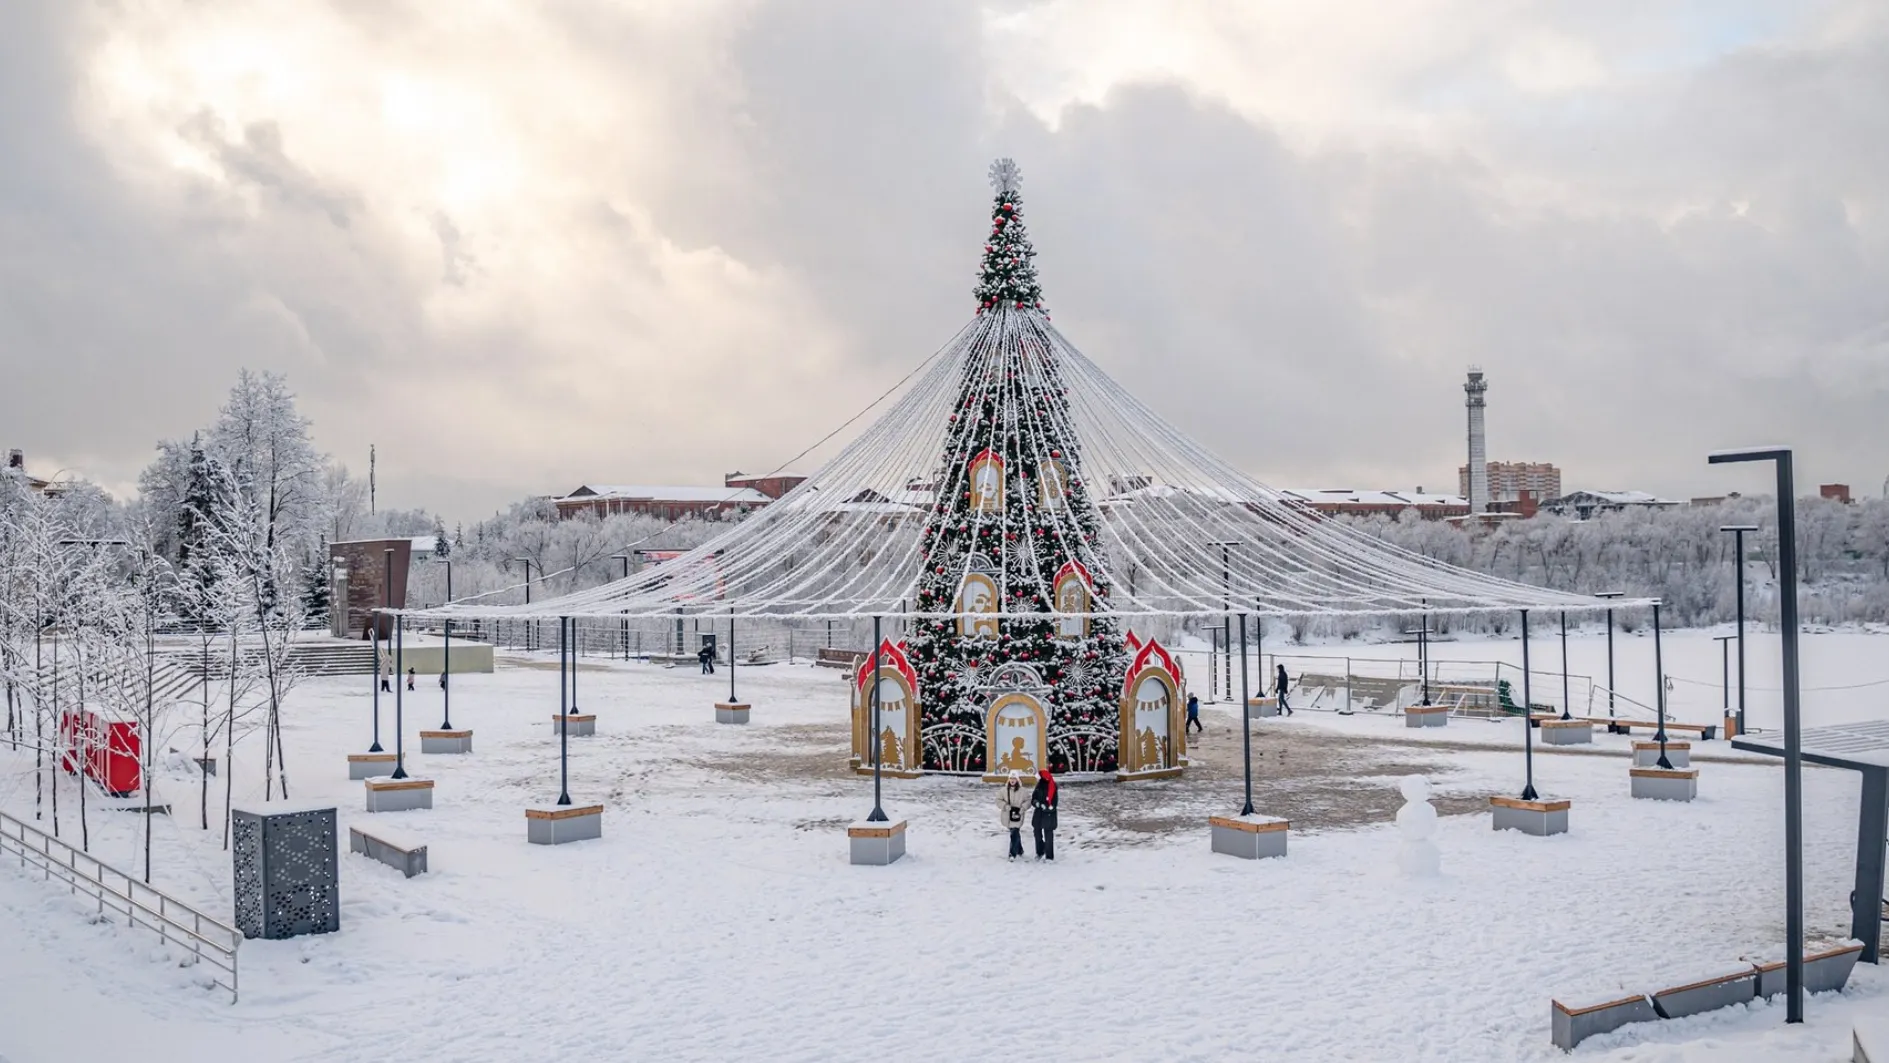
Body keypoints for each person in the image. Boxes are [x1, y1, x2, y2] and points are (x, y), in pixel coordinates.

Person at [999, 770, 1028, 861]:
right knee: (1014, 832)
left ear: (1017, 779)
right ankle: (1019, 850)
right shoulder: (1003, 790)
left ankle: (1012, 853)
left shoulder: (1023, 791)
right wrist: (1005, 806)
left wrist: (1023, 808)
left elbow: (1028, 801)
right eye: (1011, 778)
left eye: (1014, 778)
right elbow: (998, 800)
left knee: (1014, 832)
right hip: (1007, 815)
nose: (1012, 780)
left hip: (1018, 815)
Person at [1030, 767, 1059, 861]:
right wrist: (1036, 803)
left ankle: (1049, 856)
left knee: (1048, 835)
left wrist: (1046, 807)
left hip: (1049, 815)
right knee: (1037, 833)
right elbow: (1033, 798)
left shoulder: (1052, 787)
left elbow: (1054, 803)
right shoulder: (1038, 786)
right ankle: (1040, 851)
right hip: (1038, 813)